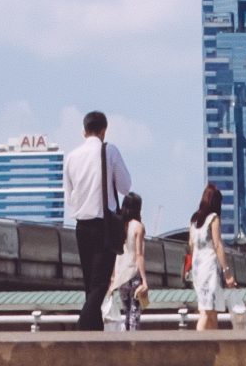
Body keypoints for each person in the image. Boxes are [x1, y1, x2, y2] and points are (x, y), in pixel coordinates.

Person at [63, 110, 133, 331]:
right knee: (100, 285)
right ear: (104, 130)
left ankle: (92, 335)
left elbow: (69, 198)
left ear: (84, 131)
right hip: (104, 226)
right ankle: (82, 328)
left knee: (90, 285)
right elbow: (125, 186)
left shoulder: (71, 157)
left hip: (81, 226)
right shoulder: (109, 150)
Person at [188, 183, 235, 331]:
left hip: (197, 269)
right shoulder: (213, 218)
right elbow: (218, 245)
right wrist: (227, 272)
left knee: (211, 311)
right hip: (209, 269)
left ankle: (215, 344)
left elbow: (190, 244)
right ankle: (196, 345)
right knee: (206, 312)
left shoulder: (194, 220)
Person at [109, 191, 149, 332]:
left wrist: (113, 278)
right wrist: (144, 279)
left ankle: (125, 342)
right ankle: (133, 344)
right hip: (133, 274)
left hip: (121, 275)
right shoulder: (138, 226)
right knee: (135, 313)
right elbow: (139, 255)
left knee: (126, 312)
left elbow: (115, 253)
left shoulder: (119, 225)